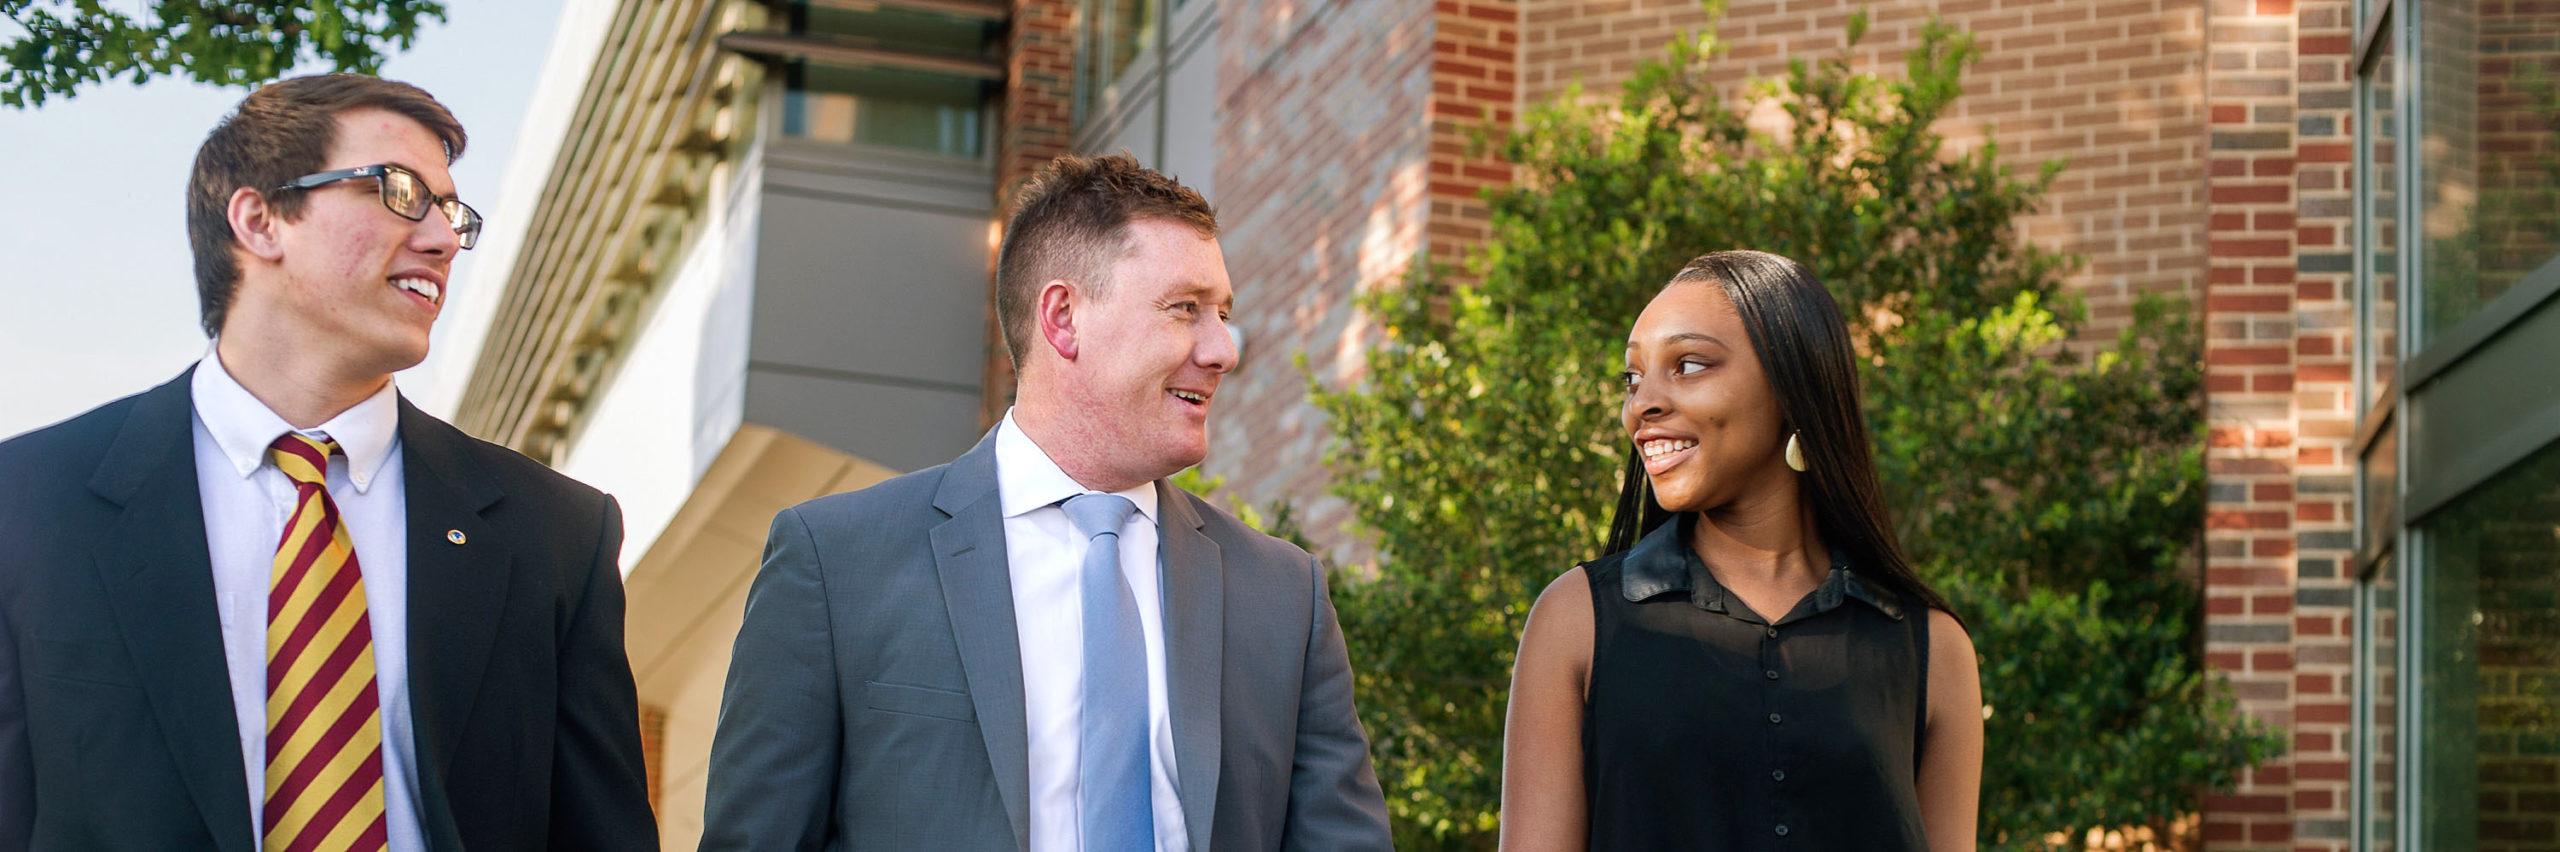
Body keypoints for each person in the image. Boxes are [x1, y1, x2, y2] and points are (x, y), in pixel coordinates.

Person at [0, 74, 657, 851]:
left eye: (450, 212)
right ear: (260, 219)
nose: (443, 239)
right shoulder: (29, 504)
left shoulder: (558, 534)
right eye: (400, 191)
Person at [700, 153, 1392, 851]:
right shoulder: (838, 565)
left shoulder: (1282, 596)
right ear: (1064, 318)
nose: (1222, 350)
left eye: (1223, 314)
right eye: (1186, 309)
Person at [1498, 250, 1983, 850]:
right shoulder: (1577, 620)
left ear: (1792, 385)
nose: (1641, 405)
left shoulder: (1931, 647)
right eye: (1633, 377)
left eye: (1689, 365)